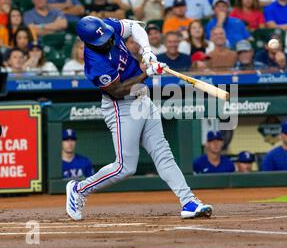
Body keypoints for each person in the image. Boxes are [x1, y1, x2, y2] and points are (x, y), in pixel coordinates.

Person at [67, 15, 213, 221]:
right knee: (124, 167)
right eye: (102, 41)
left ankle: (188, 201)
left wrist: (147, 51)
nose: (108, 40)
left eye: (108, 36)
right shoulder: (94, 63)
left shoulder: (107, 27)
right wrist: (147, 73)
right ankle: (79, 189)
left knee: (163, 152)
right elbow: (117, 91)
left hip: (142, 99)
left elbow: (135, 27)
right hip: (121, 107)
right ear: (89, 43)